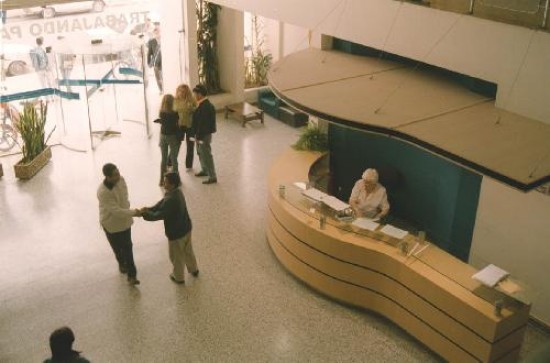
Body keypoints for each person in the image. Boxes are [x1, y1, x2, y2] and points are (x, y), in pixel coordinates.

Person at [141, 172, 199, 284]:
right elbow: (161, 204)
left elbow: (159, 215)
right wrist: (149, 209)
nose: (163, 183)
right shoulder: (176, 192)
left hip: (176, 233)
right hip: (186, 228)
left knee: (176, 256)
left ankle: (178, 277)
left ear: (172, 184)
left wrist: (145, 214)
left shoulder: (171, 199)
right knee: (188, 251)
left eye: (165, 182)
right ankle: (194, 269)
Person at [97, 163, 141, 285]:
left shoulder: (121, 180)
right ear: (108, 177)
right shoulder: (103, 192)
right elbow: (116, 211)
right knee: (117, 248)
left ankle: (132, 276)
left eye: (118, 172)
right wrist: (134, 212)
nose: (119, 176)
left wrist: (128, 210)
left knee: (128, 248)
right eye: (115, 175)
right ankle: (121, 264)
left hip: (124, 221)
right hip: (111, 224)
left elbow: (125, 197)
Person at [191, 84, 217, 184]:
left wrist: (198, 136)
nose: (194, 96)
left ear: (200, 94)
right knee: (200, 153)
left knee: (206, 154)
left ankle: (212, 176)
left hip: (203, 135)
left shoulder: (206, 107)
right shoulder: (201, 104)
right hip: (199, 134)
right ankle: (205, 170)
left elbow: (203, 124)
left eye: (195, 94)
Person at [155, 94, 181, 185]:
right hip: (172, 137)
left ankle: (161, 180)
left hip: (163, 136)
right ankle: (177, 180)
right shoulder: (175, 113)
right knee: (174, 159)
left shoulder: (161, 112)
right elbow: (177, 124)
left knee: (164, 159)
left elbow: (164, 122)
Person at [173, 84, 197, 170]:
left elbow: (197, 109)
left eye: (184, 91)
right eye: (180, 91)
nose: (182, 93)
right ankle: (170, 162)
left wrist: (192, 109)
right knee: (176, 145)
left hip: (190, 126)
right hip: (179, 126)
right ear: (177, 91)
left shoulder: (192, 100)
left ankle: (189, 165)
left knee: (190, 146)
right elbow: (172, 113)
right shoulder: (174, 100)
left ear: (187, 92)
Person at [147, 24, 163, 93]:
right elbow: (149, 53)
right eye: (155, 31)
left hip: (163, 62)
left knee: (163, 77)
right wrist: (149, 63)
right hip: (156, 63)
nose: (156, 32)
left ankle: (165, 88)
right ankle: (161, 90)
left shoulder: (164, 39)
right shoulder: (151, 42)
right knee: (158, 78)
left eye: (158, 30)